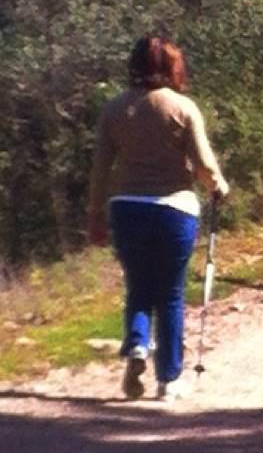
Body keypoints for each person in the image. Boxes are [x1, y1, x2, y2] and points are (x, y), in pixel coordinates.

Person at [85, 33, 231, 405]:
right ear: (173, 68)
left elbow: (100, 168)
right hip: (174, 208)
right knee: (170, 293)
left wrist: (95, 215)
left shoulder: (114, 109)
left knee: (137, 286)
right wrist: (218, 184)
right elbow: (202, 164)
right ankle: (167, 379)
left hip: (127, 207)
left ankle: (136, 345)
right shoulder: (182, 107)